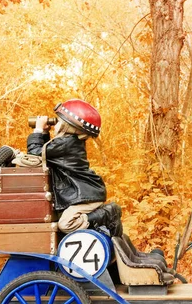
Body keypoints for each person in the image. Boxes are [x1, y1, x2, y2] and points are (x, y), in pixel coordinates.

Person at [27, 99, 122, 236]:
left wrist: (38, 130)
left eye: (59, 121)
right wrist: (44, 134)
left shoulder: (65, 143)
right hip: (87, 192)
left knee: (66, 224)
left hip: (85, 194)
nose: (55, 124)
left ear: (67, 126)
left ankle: (109, 212)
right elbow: (46, 154)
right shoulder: (69, 142)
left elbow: (35, 153)